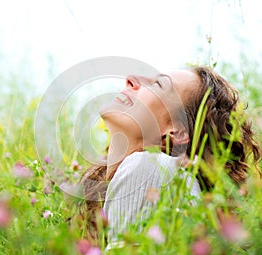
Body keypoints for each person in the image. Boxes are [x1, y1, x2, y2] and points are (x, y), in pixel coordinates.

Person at [80, 66, 261, 249]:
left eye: (158, 84)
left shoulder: (149, 168)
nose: (131, 79)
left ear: (177, 131)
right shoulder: (161, 178)